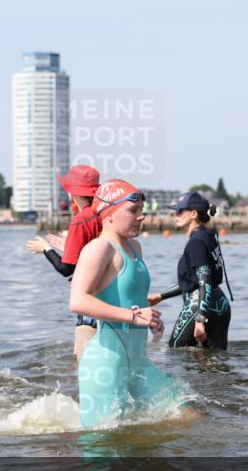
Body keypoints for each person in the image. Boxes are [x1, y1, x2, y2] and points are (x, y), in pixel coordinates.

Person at [70, 180, 183, 428]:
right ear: (109, 214)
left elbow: (132, 299)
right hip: (106, 362)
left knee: (186, 415)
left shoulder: (135, 248)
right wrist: (132, 316)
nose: (141, 217)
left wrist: (150, 320)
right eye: (133, 210)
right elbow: (77, 301)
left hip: (138, 360)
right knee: (102, 442)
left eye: (141, 210)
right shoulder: (99, 248)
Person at [26, 165, 103, 361]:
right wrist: (67, 246)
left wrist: (46, 249)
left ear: (72, 193)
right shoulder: (103, 214)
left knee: (84, 363)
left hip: (90, 299)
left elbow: (65, 269)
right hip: (110, 298)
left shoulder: (80, 219)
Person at [148, 193, 233, 350]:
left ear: (194, 214)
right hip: (220, 304)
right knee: (214, 359)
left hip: (199, 307)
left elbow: (205, 282)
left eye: (179, 211)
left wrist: (200, 320)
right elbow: (194, 280)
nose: (175, 215)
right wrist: (161, 296)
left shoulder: (196, 242)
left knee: (176, 352)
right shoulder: (208, 236)